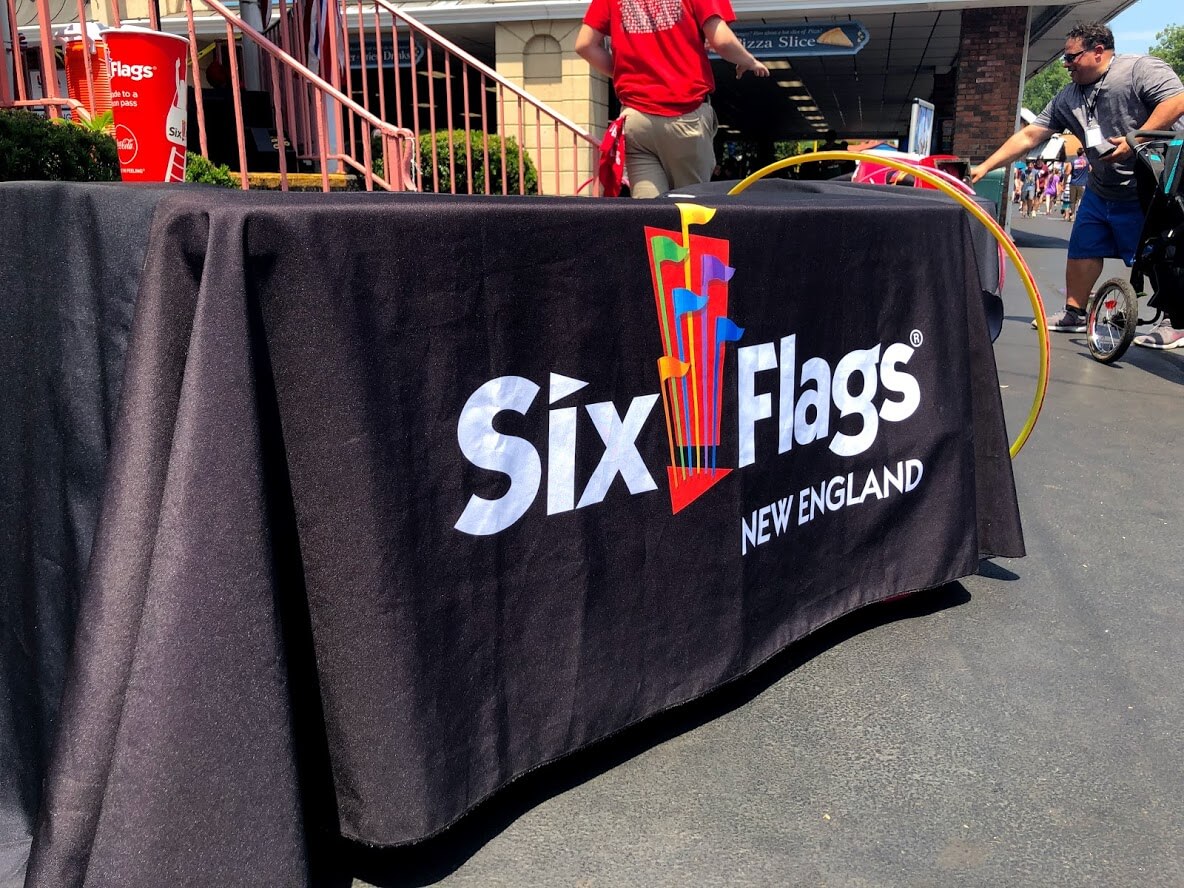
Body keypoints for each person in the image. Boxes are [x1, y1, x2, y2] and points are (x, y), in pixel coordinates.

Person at [970, 21, 1184, 343]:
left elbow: (1177, 101)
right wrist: (984, 167)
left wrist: (1135, 138)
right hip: (1102, 188)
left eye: (1071, 58)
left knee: (1157, 256)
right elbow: (1029, 135)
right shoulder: (1068, 97)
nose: (1066, 65)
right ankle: (1075, 312)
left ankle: (1175, 322)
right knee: (1083, 246)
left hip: (1151, 188)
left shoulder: (1139, 69)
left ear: (1098, 52)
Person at [575, 0, 769, 198]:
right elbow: (721, 40)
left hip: (636, 119)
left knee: (651, 213)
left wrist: (622, 75)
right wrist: (749, 60)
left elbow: (584, 45)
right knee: (690, 207)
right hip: (685, 116)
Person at [1067, 146, 1089, 220]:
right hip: (1083, 183)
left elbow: (1067, 171)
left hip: (1073, 183)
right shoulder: (1087, 161)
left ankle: (1072, 215)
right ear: (1083, 153)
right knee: (1081, 200)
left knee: (1072, 200)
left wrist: (1064, 182)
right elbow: (1091, 170)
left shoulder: (1073, 161)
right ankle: (1079, 214)